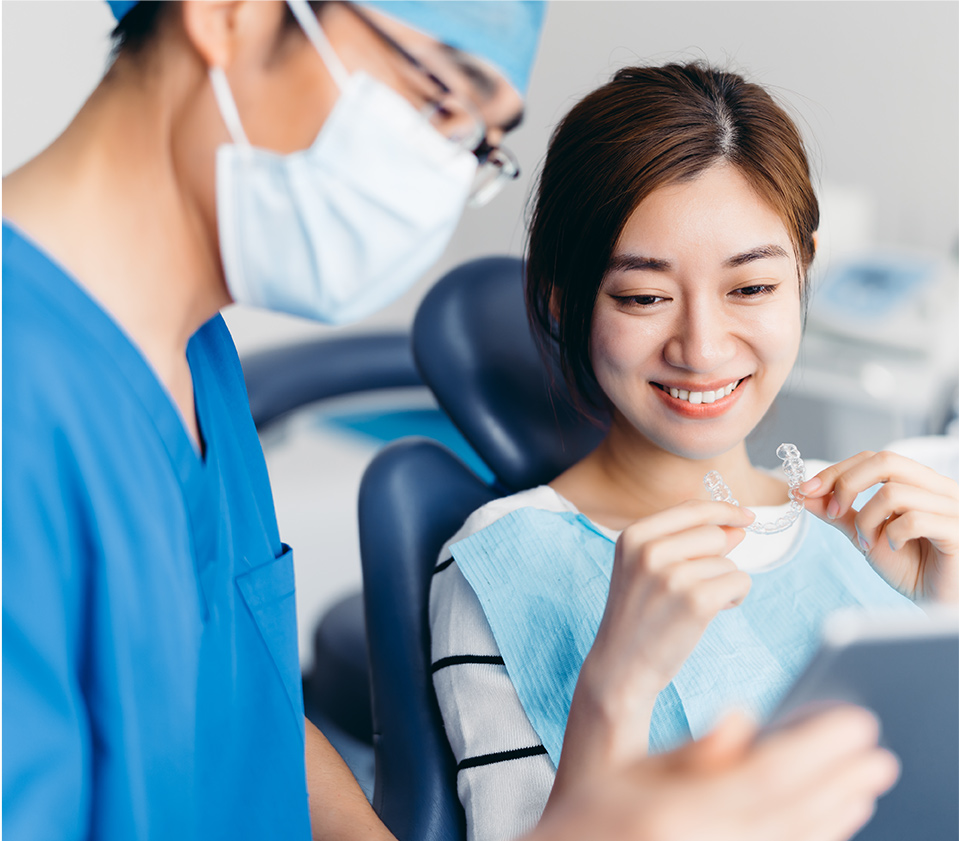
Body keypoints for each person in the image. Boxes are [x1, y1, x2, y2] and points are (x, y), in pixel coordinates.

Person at [1, 3, 900, 839]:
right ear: (230, 11)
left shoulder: (194, 359)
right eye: (438, 97)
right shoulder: (27, 392)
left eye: (476, 142)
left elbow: (251, 720)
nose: (434, 181)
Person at [430, 62, 959, 841]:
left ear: (802, 272)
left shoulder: (884, 525)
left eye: (750, 289)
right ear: (562, 302)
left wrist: (942, 618)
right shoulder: (506, 561)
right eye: (644, 297)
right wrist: (616, 683)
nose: (703, 348)